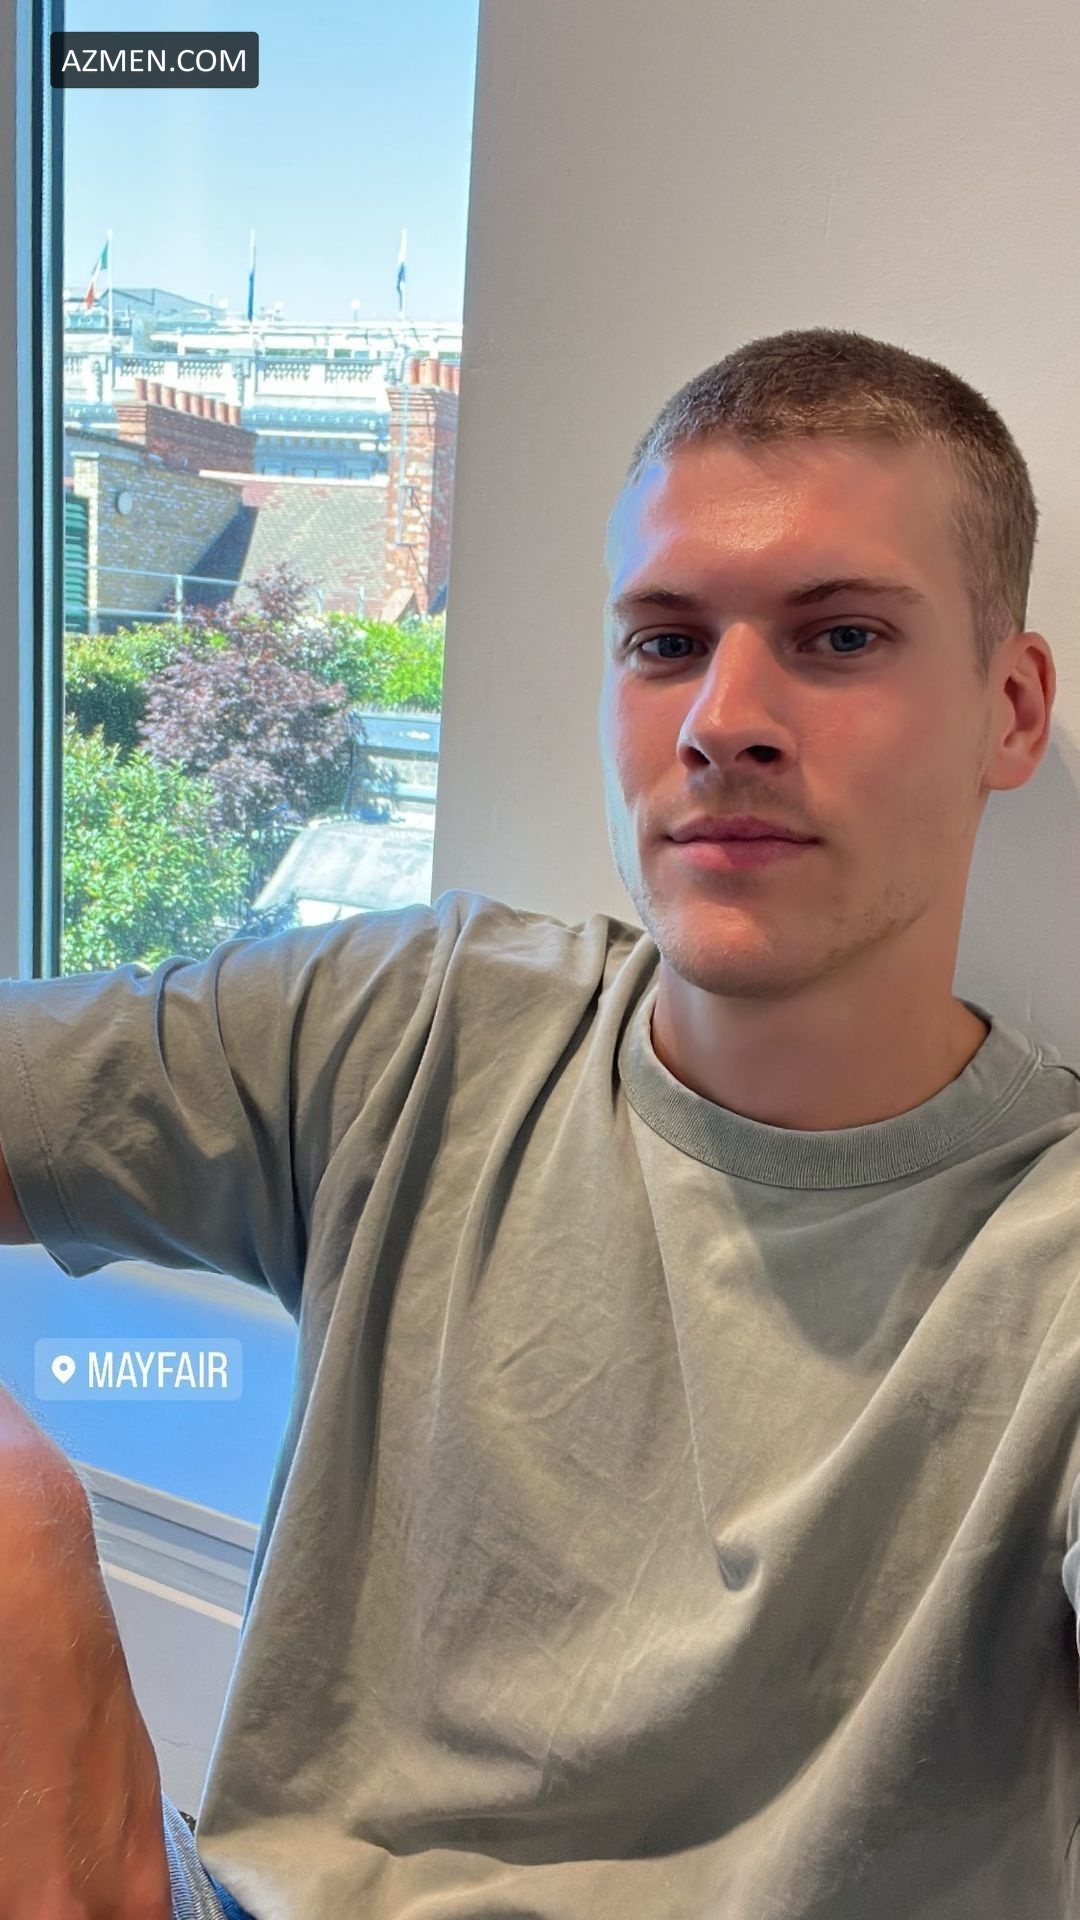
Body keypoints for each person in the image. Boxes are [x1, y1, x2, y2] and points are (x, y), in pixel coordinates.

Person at [0, 324, 1077, 1920]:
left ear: (1011, 707)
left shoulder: (1053, 1256)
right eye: (665, 642)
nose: (723, 718)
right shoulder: (408, 1022)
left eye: (841, 636)